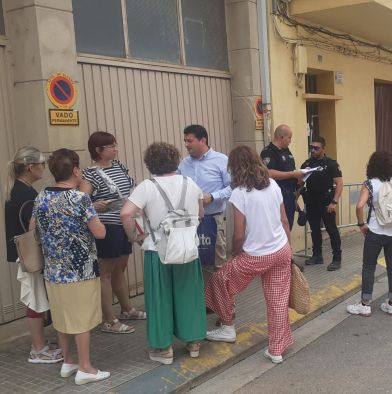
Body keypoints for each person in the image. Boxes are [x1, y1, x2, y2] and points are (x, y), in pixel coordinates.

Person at [120, 142, 206, 365]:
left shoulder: (147, 187)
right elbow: (201, 213)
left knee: (160, 298)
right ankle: (194, 342)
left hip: (157, 249)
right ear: (176, 161)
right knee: (190, 295)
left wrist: (135, 237)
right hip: (187, 248)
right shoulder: (190, 183)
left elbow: (125, 214)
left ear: (150, 163)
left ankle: (164, 349)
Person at [205, 146, 293, 364]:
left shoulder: (239, 193)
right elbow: (284, 220)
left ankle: (227, 326)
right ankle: (276, 350)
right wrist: (288, 248)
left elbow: (238, 234)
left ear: (234, 167)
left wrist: (236, 254)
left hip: (255, 255)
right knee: (277, 301)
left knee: (218, 281)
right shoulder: (272, 184)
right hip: (281, 249)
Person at [33, 148, 110, 384]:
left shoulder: (41, 196)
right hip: (80, 270)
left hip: (53, 270)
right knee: (82, 320)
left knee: (63, 317)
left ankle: (68, 361)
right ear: (75, 170)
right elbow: (100, 232)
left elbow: (32, 228)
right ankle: (85, 367)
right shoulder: (79, 198)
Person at [80, 132, 145, 335]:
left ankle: (127, 309)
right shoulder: (89, 174)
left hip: (124, 224)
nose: (115, 149)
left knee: (120, 268)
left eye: (115, 145)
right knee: (105, 273)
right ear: (98, 150)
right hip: (107, 227)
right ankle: (109, 319)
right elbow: (81, 202)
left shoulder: (119, 166)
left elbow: (131, 190)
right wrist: (94, 206)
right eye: (111, 146)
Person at [4, 146, 63, 364]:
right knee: (35, 300)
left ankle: (40, 345)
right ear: (31, 167)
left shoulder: (17, 190)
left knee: (35, 298)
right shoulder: (27, 194)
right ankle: (38, 349)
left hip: (23, 255)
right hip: (31, 256)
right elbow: (35, 228)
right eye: (41, 164)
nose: (44, 168)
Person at [346, 151, 392, 317]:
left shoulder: (369, 184)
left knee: (369, 267)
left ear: (372, 166)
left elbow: (360, 206)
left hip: (375, 231)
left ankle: (365, 305)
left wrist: (361, 225)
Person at [178, 125, 231, 275]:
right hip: (189, 221)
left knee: (217, 264)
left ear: (203, 140)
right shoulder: (184, 163)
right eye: (185, 141)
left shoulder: (221, 160)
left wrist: (213, 196)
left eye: (190, 141)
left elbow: (233, 188)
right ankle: (200, 297)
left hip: (213, 219)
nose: (186, 145)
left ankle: (220, 297)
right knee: (194, 263)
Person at [300, 136, 344, 271]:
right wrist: (295, 200)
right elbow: (300, 183)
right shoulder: (306, 164)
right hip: (311, 201)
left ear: (323, 149)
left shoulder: (331, 164)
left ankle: (337, 259)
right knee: (315, 230)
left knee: (332, 230)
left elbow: (339, 183)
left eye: (316, 148)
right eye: (311, 147)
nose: (313, 150)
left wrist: (334, 202)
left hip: (326, 202)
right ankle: (317, 255)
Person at [260, 124, 304, 229]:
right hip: (277, 196)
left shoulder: (286, 151)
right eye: (289, 138)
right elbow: (269, 173)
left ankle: (287, 246)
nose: (290, 141)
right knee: (280, 228)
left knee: (288, 226)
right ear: (282, 137)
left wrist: (299, 177)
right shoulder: (268, 151)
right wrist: (292, 174)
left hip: (290, 196)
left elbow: (290, 170)